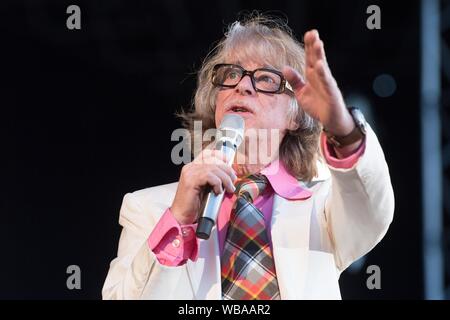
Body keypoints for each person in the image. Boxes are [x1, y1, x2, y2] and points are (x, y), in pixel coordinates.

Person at [102, 14, 394, 300]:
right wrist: (178, 219)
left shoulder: (325, 206)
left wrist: (342, 126)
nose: (242, 85)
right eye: (230, 75)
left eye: (266, 79)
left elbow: (372, 207)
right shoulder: (148, 208)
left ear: (296, 115)